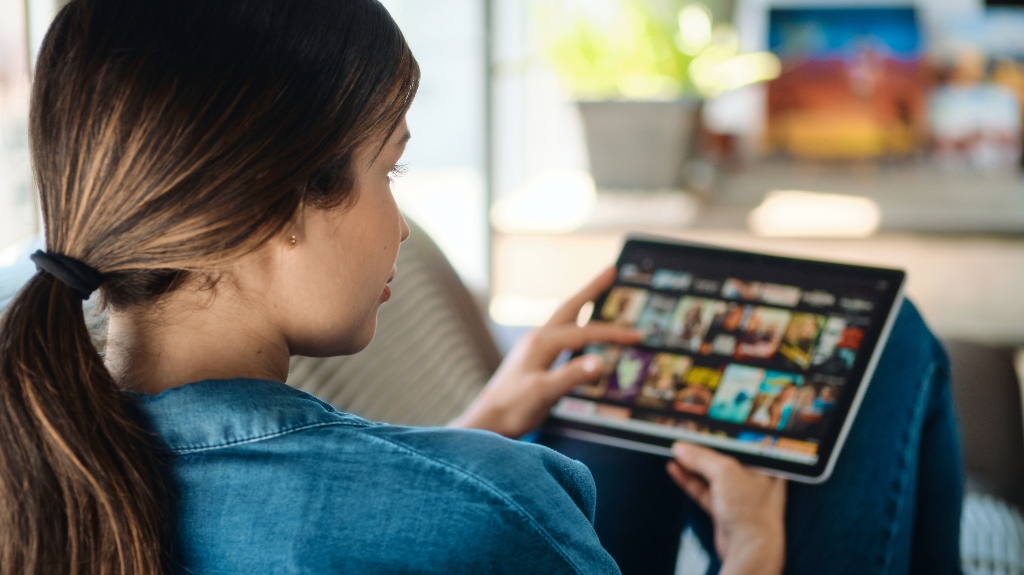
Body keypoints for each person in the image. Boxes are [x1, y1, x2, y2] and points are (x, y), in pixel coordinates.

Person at [0, 1, 961, 574]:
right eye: (392, 168)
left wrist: (481, 419)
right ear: (277, 207)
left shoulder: (34, 459)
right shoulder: (493, 507)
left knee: (599, 391)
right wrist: (753, 551)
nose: (400, 224)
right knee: (895, 342)